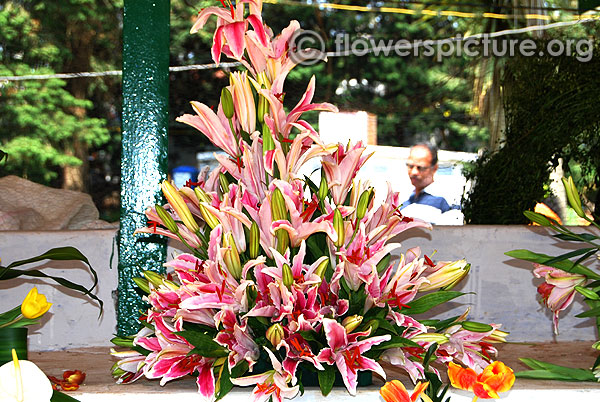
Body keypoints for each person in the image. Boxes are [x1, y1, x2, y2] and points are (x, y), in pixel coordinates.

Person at [401, 143, 456, 223]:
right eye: (410, 166)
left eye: (420, 168)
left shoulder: (442, 201)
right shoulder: (405, 199)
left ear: (434, 168)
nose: (414, 172)